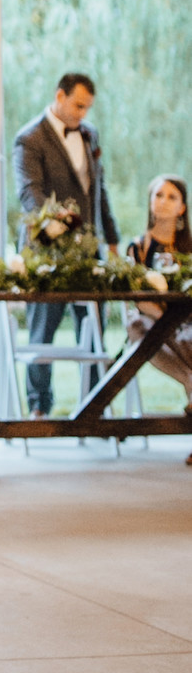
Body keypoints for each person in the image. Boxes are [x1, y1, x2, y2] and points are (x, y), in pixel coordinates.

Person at [13, 72, 119, 416]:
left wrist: (112, 239)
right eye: (78, 105)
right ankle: (39, 408)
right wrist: (55, 224)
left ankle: (94, 407)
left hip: (90, 249)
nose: (82, 114)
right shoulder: (30, 138)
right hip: (46, 248)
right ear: (59, 95)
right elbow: (30, 192)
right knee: (42, 330)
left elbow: (97, 191)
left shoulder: (90, 136)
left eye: (87, 108)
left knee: (94, 330)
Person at [125, 174, 192, 462]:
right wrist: (167, 317)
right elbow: (137, 299)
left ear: (182, 208)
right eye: (158, 195)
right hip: (153, 323)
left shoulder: (188, 248)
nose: (163, 202)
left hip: (186, 324)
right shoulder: (138, 248)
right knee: (139, 327)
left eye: (171, 197)